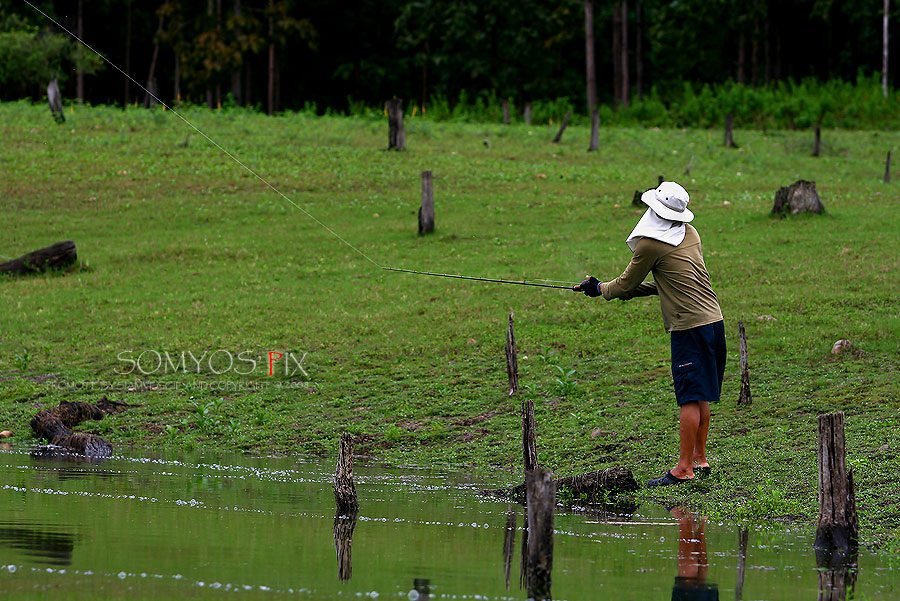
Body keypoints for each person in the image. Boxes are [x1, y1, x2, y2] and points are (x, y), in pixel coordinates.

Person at [576, 181, 725, 487]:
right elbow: (670, 282)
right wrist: (626, 293)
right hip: (713, 321)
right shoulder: (690, 234)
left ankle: (684, 469)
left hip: (689, 327)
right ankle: (700, 459)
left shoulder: (650, 244)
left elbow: (624, 283)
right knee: (701, 394)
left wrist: (598, 288)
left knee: (688, 397)